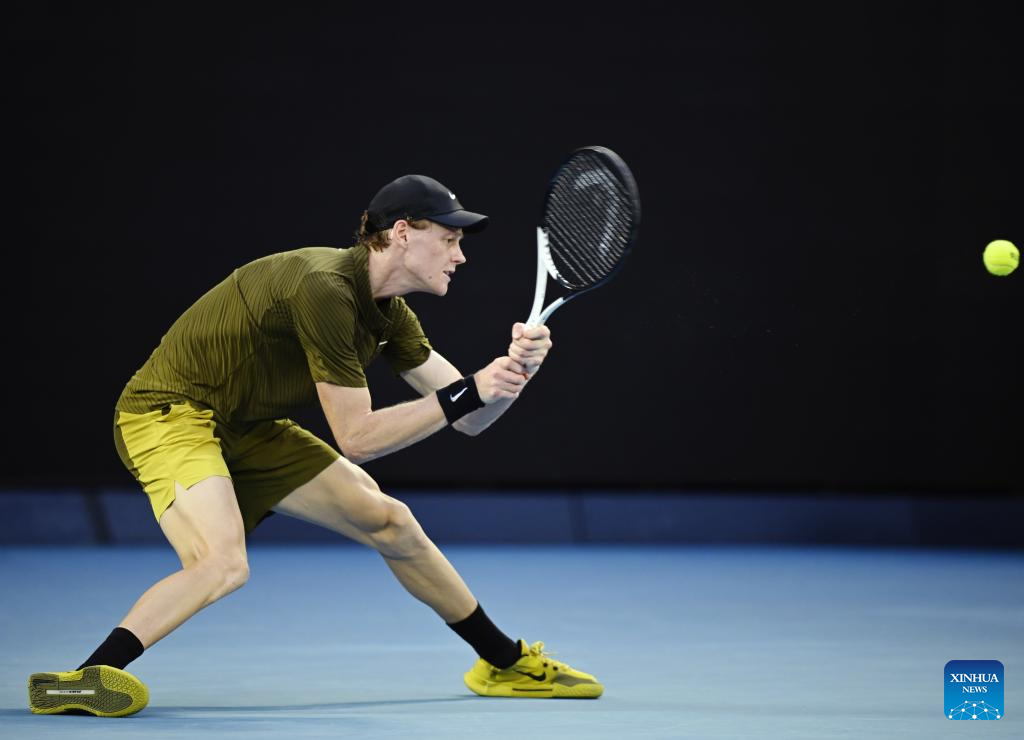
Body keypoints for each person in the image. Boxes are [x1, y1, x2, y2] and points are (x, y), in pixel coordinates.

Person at [27, 174, 603, 717]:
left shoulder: (391, 316)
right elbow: (358, 439)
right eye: (449, 240)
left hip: (251, 426)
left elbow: (468, 419)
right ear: (403, 233)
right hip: (169, 413)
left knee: (390, 523)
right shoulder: (323, 287)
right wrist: (470, 390)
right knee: (222, 564)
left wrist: (512, 376)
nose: (461, 256)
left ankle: (502, 662)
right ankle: (84, 678)